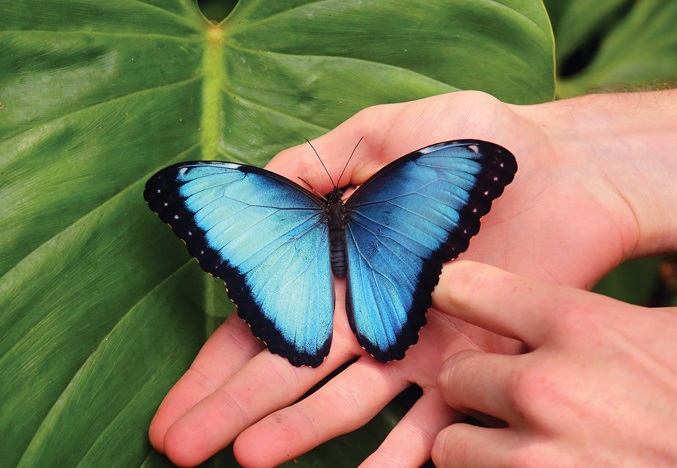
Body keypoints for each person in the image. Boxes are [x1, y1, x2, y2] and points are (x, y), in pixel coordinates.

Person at [148, 89, 677, 467]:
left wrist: (581, 156)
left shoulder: (284, 200)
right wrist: (580, 153)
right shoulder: (388, 190)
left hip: (297, 266)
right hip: (380, 265)